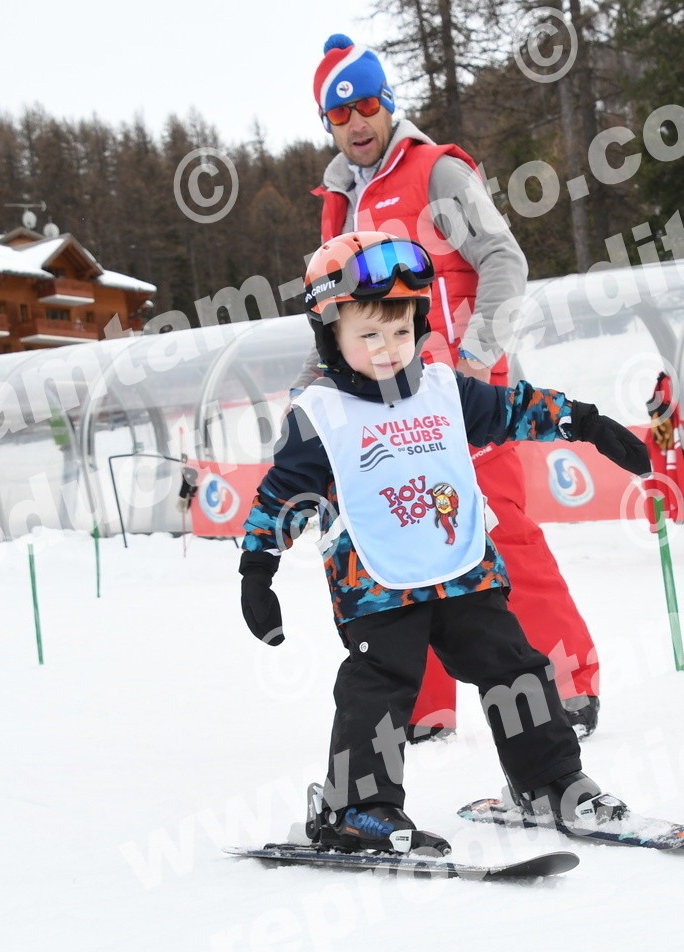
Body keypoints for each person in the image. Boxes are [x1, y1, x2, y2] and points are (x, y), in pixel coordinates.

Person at [238, 232, 651, 855]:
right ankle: (358, 808)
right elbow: (284, 494)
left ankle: (549, 781)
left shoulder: (443, 389)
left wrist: (583, 421)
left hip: (464, 571)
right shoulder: (319, 413)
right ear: (330, 335)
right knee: (381, 686)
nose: (388, 348)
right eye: (368, 335)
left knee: (516, 668)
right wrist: (258, 567)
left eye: (400, 331)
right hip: (376, 586)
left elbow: (514, 408)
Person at [300, 33, 605, 742]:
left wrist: (475, 359)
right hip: (387, 408)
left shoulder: (436, 172)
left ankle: (569, 685)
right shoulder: (339, 200)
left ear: (388, 103)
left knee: (502, 536)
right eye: (340, 114)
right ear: (327, 124)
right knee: (404, 545)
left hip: (461, 395)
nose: (356, 123)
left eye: (366, 105)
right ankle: (424, 707)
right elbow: (335, 309)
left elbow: (504, 259)